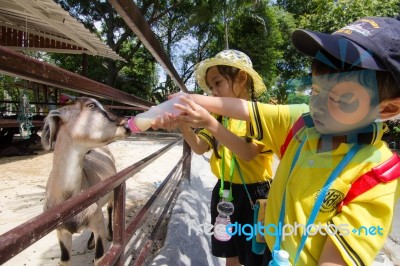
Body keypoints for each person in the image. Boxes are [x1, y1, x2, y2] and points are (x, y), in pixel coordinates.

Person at [169, 17, 400, 265]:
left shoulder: (376, 176)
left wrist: (206, 120)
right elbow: (242, 109)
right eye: (315, 90)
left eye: (341, 100)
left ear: (386, 109)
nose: (317, 106)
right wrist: (183, 102)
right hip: (266, 239)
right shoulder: (301, 125)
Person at [152, 50, 284, 266]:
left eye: (218, 83)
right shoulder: (219, 117)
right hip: (224, 193)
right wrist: (183, 123)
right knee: (229, 252)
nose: (213, 92)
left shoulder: (260, 116)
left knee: (256, 255)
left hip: (256, 197)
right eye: (211, 88)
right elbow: (198, 147)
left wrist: (208, 123)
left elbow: (247, 153)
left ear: (242, 78)